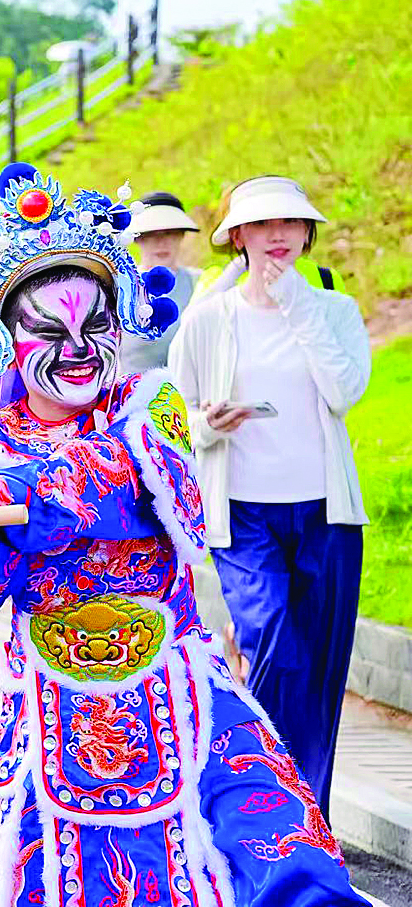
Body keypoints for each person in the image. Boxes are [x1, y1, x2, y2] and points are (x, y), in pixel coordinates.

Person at [0, 162, 366, 906]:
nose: (77, 347)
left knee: (283, 870)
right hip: (49, 706)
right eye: (49, 330)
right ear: (8, 337)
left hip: (177, 684)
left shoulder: (150, 404)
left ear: (124, 321)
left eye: (95, 325)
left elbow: (109, 483)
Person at [169, 174, 370, 821]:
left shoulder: (334, 311)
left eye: (290, 224)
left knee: (319, 669)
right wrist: (207, 424)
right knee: (274, 635)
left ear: (308, 234)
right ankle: (259, 794)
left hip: (327, 516)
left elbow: (343, 393)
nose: (277, 235)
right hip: (244, 514)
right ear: (238, 238)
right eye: (261, 224)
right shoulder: (208, 320)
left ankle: (309, 816)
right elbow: (173, 419)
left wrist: (300, 307)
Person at [121, 190, 201, 372]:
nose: (161, 242)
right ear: (137, 238)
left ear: (181, 235)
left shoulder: (200, 284)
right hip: (133, 394)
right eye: (151, 234)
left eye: (169, 233)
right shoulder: (120, 288)